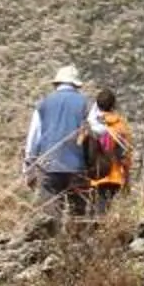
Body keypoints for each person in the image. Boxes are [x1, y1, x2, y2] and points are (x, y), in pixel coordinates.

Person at [20, 64, 91, 205]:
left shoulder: (43, 104)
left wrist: (28, 167)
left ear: (56, 83)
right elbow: (94, 135)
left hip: (48, 166)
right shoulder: (86, 104)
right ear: (76, 85)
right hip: (76, 167)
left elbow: (33, 138)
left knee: (49, 211)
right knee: (77, 214)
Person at [83, 86, 135, 213]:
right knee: (104, 210)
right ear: (113, 105)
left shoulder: (89, 124)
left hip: (93, 176)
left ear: (97, 104)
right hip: (114, 176)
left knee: (91, 211)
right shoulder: (120, 125)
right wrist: (127, 178)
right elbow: (125, 154)